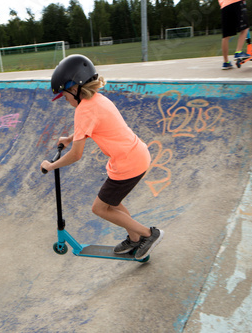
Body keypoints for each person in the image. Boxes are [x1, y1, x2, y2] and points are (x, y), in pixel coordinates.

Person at [40, 54, 164, 260]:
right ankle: (134, 238)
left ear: (75, 88)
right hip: (135, 155)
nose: (65, 99)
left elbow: (76, 155)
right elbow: (89, 128)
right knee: (113, 203)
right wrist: (70, 138)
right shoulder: (96, 99)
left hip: (128, 163)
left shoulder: (83, 110)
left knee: (100, 208)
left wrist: (51, 165)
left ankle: (148, 234)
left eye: (64, 94)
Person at [219, 0, 251, 69]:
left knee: (226, 36)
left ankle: (226, 62)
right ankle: (238, 51)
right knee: (245, 28)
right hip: (236, 2)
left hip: (224, 6)